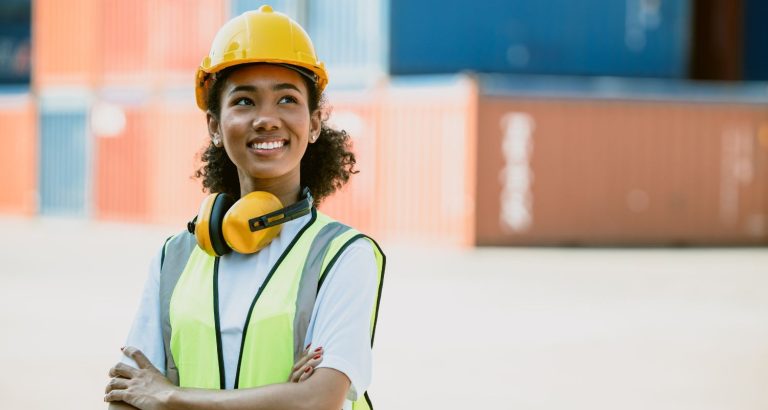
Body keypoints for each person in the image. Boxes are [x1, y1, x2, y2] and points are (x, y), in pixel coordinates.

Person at [103, 5, 385, 410]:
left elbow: (316, 400)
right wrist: (280, 397)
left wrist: (171, 396)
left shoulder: (342, 256)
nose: (266, 119)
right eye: (245, 101)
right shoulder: (175, 258)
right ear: (214, 126)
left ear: (314, 124)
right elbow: (128, 395)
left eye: (287, 99)